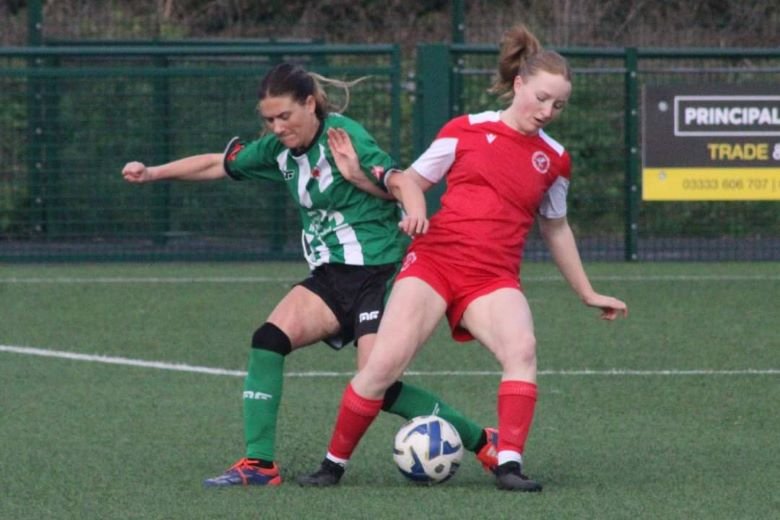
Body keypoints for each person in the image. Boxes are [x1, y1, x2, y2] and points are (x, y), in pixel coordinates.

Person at [121, 62, 499, 487]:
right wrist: (153, 173)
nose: (278, 127)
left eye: (285, 116)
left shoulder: (344, 135)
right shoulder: (278, 151)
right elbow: (217, 164)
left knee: (378, 386)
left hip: (382, 272)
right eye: (269, 119)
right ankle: (259, 465)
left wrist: (414, 211)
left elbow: (400, 180)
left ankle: (482, 439)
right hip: (332, 276)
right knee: (268, 340)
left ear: (310, 103)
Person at [297, 25, 628, 492]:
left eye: (559, 104)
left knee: (523, 350)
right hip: (435, 263)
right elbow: (407, 181)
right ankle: (331, 466)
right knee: (382, 367)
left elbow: (555, 226)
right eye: (542, 97)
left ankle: (508, 463)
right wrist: (378, 188)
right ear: (519, 85)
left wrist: (587, 291)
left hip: (492, 279)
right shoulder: (465, 130)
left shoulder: (555, 159)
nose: (548, 111)